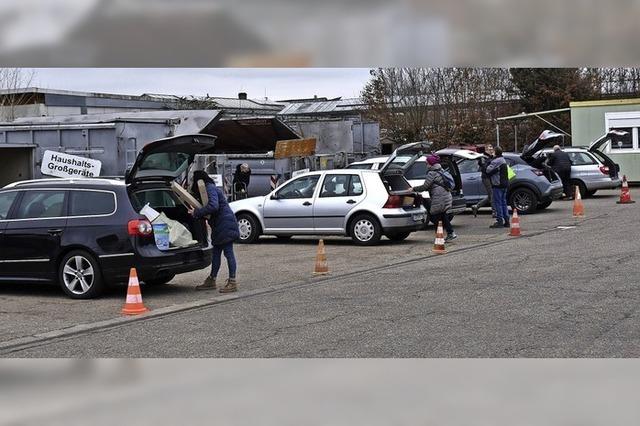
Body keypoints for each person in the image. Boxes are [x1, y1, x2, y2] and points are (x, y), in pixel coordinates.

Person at [189, 171, 240, 293]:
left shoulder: (209, 188)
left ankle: (232, 282)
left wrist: (196, 212)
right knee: (216, 253)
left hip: (225, 224)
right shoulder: (209, 187)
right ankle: (212, 279)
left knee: (228, 253)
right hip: (221, 225)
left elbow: (213, 206)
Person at [412, 154, 457, 241]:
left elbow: (425, 186)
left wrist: (413, 189)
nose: (426, 165)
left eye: (427, 163)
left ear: (431, 164)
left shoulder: (432, 173)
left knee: (435, 217)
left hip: (439, 198)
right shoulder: (441, 170)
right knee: (443, 215)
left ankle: (440, 238)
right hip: (446, 196)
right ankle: (451, 233)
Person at [485, 146, 510, 228]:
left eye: (493, 151)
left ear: (496, 153)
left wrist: (489, 161)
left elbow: (488, 170)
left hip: (497, 185)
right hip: (504, 184)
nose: (492, 153)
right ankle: (507, 220)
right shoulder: (503, 160)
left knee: (498, 203)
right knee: (503, 203)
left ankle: (499, 221)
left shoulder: (496, 161)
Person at [471, 145, 496, 218]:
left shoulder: (488, 156)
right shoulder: (483, 157)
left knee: (490, 195)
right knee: (492, 194)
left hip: (489, 177)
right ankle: (494, 212)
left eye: (491, 147)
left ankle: (476, 206)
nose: (491, 149)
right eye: (489, 148)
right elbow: (485, 168)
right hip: (486, 177)